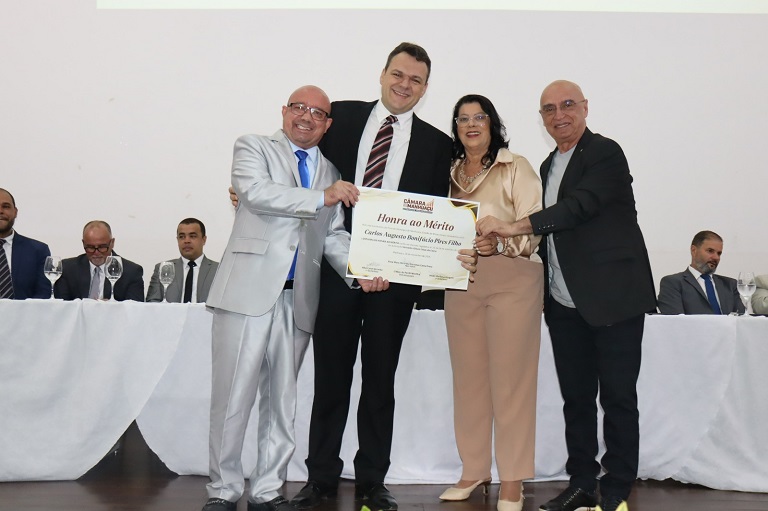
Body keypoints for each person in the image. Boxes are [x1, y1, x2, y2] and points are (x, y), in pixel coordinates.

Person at [201, 85, 387, 511]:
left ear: (328, 124)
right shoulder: (253, 147)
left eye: (318, 113)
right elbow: (257, 193)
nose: (307, 117)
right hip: (247, 293)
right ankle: (224, 490)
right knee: (232, 399)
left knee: (282, 402)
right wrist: (323, 197)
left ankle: (267, 490)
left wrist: (361, 270)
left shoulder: (330, 171)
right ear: (284, 111)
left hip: (298, 298)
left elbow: (333, 235)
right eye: (299, 108)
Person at [476, 80, 656, 511]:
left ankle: (617, 487)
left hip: (613, 298)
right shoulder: (546, 166)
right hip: (563, 303)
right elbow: (547, 233)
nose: (560, 115)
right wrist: (496, 241)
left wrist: (511, 227)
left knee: (617, 398)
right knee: (576, 400)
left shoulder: (605, 153)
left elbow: (578, 208)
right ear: (541, 119)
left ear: (585, 108)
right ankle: (582, 483)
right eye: (549, 109)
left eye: (568, 105)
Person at [289, 43, 452, 511]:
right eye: (398, 74)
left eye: (415, 80)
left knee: (380, 383)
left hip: (394, 283)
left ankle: (372, 482)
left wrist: (409, 264)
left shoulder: (438, 144)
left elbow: (433, 216)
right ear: (382, 74)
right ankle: (320, 477)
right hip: (337, 271)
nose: (404, 85)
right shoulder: (339, 116)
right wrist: (258, 188)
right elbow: (298, 156)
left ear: (425, 88)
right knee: (331, 379)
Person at [440, 95, 543, 511]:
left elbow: (534, 227)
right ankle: (475, 469)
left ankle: (513, 479)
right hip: (459, 281)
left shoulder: (515, 166)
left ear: (492, 123)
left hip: (512, 278)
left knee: (511, 382)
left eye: (479, 116)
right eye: (462, 118)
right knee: (468, 381)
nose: (471, 124)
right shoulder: (446, 171)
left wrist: (500, 241)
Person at [657, 231, 744, 315]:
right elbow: (675, 321)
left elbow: (741, 319)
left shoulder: (730, 285)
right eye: (710, 251)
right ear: (694, 250)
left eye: (719, 253)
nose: (716, 257)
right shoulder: (673, 283)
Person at [54, 220, 144, 301]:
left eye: (102, 247)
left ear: (112, 243)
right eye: (90, 247)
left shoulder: (131, 272)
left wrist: (112, 307)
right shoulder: (68, 269)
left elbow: (135, 309)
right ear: (83, 243)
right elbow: (62, 307)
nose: (96, 253)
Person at [146, 218, 219, 303]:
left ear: (204, 239)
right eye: (182, 237)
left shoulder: (218, 270)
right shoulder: (164, 268)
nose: (186, 241)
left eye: (192, 236)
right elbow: (152, 303)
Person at [0, 188, 51, 299]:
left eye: (6, 206)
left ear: (15, 212)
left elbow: (44, 294)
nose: (1, 211)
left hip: (25, 310)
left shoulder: (38, 251)